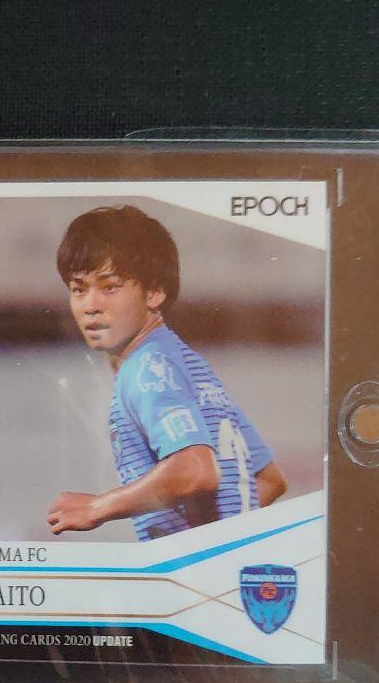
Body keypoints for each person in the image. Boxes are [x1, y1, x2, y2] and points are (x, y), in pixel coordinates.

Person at [47, 205, 286, 540]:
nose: (91, 305)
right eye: (79, 289)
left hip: (202, 572)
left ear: (155, 292)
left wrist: (97, 507)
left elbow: (195, 470)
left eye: (110, 287)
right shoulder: (184, 361)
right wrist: (214, 542)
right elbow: (269, 480)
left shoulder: (145, 369)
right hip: (228, 565)